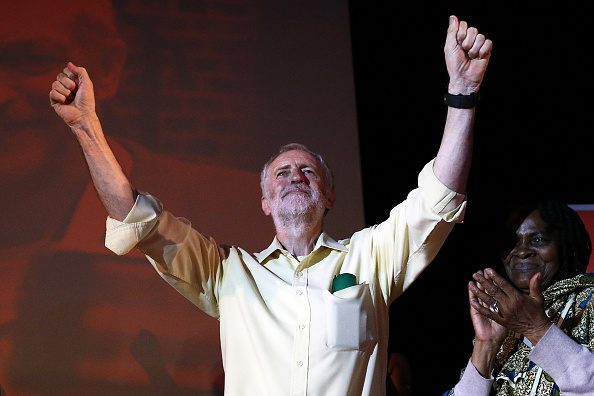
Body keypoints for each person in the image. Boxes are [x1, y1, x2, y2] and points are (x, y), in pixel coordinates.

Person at [50, 15, 492, 395]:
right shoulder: (228, 272)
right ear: (265, 202)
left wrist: (462, 93)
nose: (295, 177)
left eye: (308, 171)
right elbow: (134, 216)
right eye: (282, 173)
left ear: (329, 196)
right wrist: (86, 126)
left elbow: (438, 200)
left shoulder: (371, 259)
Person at [450, 200, 594, 395]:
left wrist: (536, 329)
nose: (521, 251)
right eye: (512, 242)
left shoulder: (590, 301)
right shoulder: (501, 319)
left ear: (565, 245)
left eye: (538, 239)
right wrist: (486, 345)